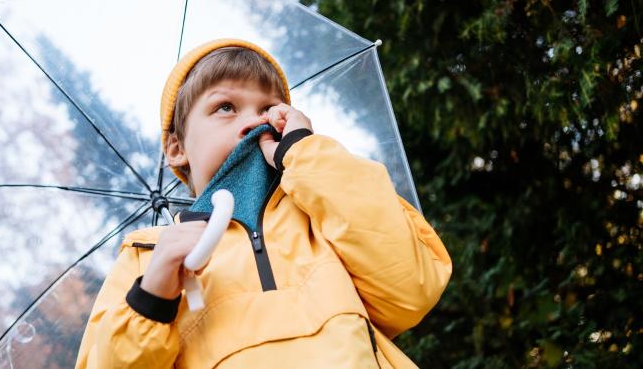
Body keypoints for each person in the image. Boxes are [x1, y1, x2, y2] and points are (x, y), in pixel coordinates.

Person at [75, 38, 452, 368]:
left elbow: (411, 290)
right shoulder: (148, 256)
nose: (253, 123)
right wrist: (153, 296)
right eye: (225, 107)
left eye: (270, 109)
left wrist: (305, 153)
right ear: (176, 148)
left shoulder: (322, 211)